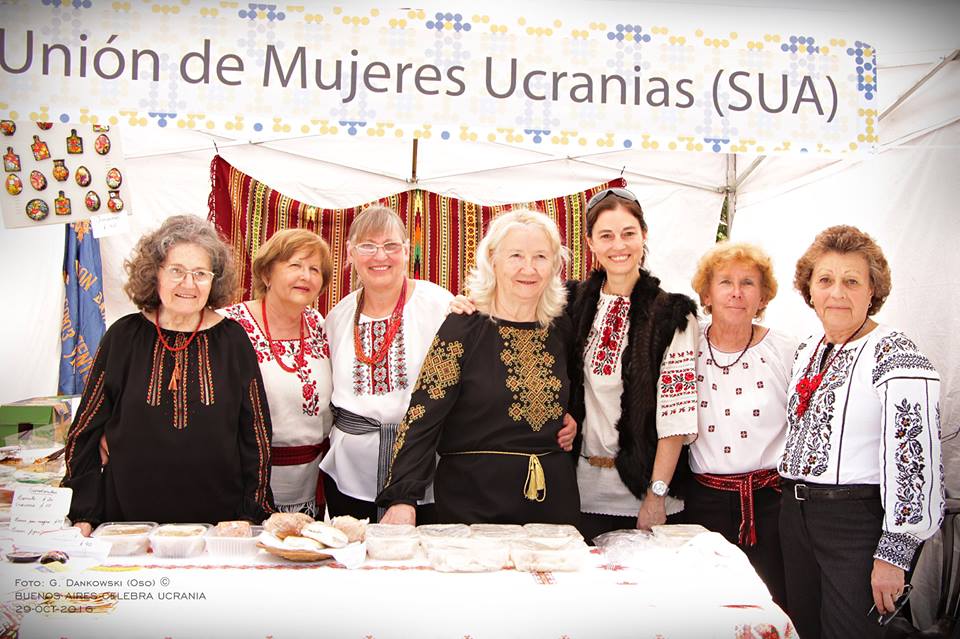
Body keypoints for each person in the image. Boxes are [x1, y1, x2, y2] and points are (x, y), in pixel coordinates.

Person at [779, 225, 944, 639]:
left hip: (854, 524)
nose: (837, 292)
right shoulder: (807, 350)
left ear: (873, 291)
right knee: (801, 629)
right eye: (825, 280)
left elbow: (916, 461)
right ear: (809, 290)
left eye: (852, 281)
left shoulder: (897, 353)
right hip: (795, 517)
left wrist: (895, 554)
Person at [63, 215, 274, 533]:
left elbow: (255, 434)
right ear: (154, 273)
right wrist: (84, 512)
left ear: (213, 281)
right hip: (127, 522)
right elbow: (85, 430)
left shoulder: (233, 339)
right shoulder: (124, 336)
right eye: (176, 271)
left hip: (218, 523)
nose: (188, 284)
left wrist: (249, 512)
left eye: (200, 273)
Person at [377, 209, 580, 526]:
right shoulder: (463, 327)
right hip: (472, 502)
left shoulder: (562, 327)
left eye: (541, 256)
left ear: (555, 264)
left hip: (552, 503)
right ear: (492, 260)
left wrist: (574, 419)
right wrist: (403, 498)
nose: (529, 268)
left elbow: (581, 389)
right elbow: (423, 417)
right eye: (516, 255)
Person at [567, 188, 699, 541]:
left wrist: (656, 495)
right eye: (606, 236)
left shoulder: (672, 314)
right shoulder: (572, 303)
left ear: (644, 235)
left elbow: (676, 415)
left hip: (644, 496)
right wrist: (466, 304)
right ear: (590, 242)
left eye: (628, 233)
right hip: (578, 493)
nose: (618, 245)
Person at [319, 206, 454, 523]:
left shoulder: (439, 305)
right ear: (350, 253)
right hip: (349, 475)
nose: (380, 256)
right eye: (368, 246)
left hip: (425, 475)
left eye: (391, 245)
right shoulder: (338, 317)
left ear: (406, 251)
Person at [685, 241, 796, 606]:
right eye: (725, 282)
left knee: (771, 604)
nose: (736, 292)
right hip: (703, 506)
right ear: (707, 294)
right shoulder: (685, 345)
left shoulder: (786, 349)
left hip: (771, 506)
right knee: (708, 607)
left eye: (748, 283)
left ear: (762, 296)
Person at [219, 229, 333, 517]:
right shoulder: (230, 326)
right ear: (266, 273)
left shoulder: (318, 324)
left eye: (315, 269)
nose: (306, 276)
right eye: (295, 265)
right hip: (245, 486)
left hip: (310, 485)